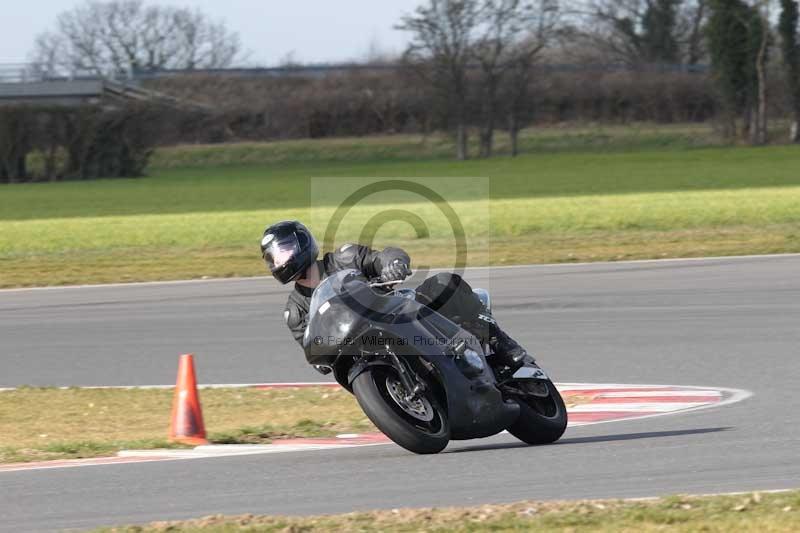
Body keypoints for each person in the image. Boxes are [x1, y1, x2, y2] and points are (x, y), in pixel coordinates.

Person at [261, 220, 528, 373]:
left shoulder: (345, 257)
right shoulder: (295, 311)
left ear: (302, 243)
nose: (280, 261)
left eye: (284, 251)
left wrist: (393, 263)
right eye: (274, 257)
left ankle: (501, 342)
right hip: (363, 350)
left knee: (445, 283)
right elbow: (314, 349)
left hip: (399, 313)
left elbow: (382, 256)